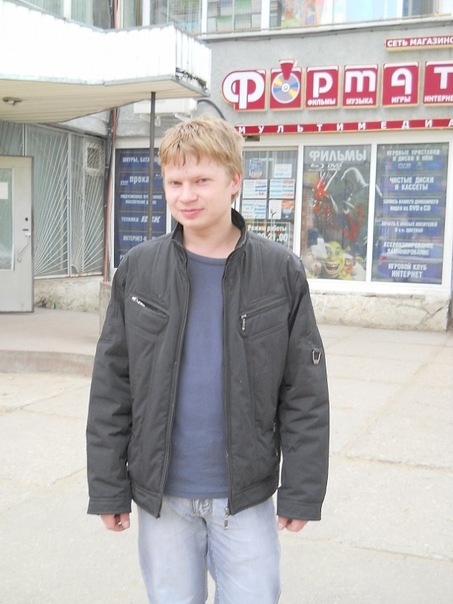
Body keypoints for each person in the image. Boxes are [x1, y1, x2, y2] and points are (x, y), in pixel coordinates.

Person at [86, 115, 330, 603]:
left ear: (234, 181)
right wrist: (108, 486)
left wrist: (301, 490)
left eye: (201, 180)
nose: (186, 196)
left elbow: (303, 391)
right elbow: (113, 384)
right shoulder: (139, 269)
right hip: (163, 496)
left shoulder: (279, 272)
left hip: (245, 496)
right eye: (175, 182)